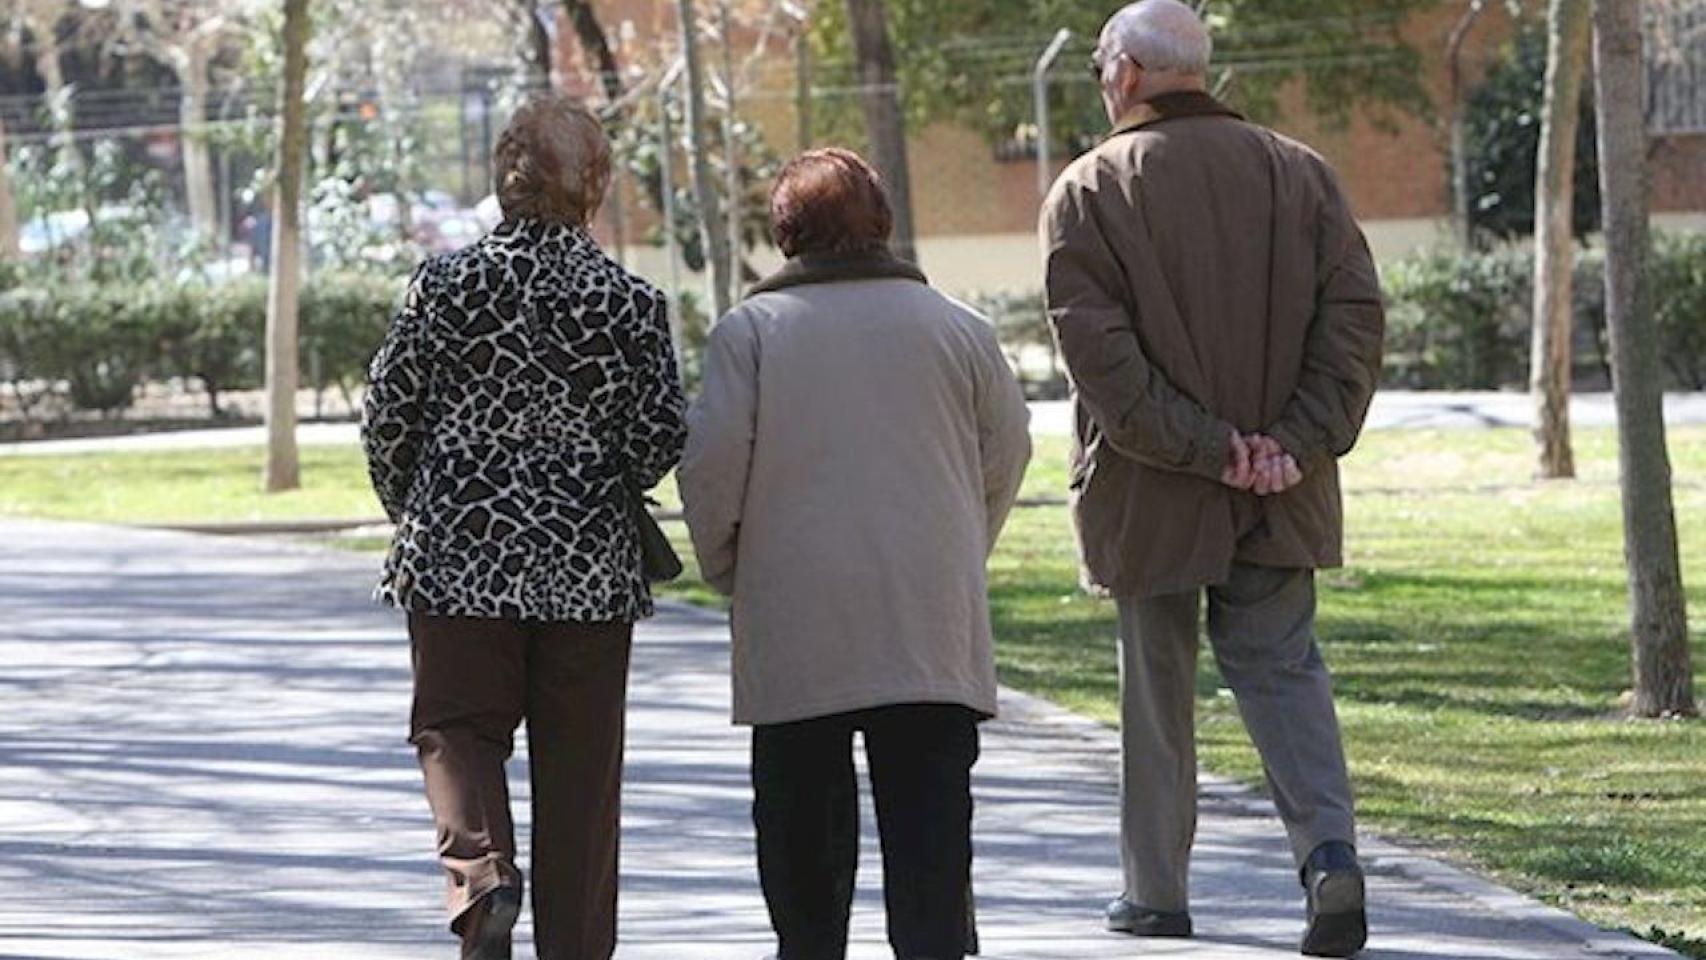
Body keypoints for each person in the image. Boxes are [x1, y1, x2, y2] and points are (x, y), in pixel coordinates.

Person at [1039, 2, 1385, 957]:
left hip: (1154, 488)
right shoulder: (1300, 172)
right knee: (1283, 670)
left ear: (1127, 74)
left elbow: (1099, 360)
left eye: (1105, 67)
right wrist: (1290, 443)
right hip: (1283, 484)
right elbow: (1354, 323)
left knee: (1156, 687)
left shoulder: (1089, 189)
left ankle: (1156, 891)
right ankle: (1329, 857)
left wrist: (1208, 447)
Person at [680, 147, 1032, 960]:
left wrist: (732, 565)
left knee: (801, 838)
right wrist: (962, 542)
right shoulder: (958, 326)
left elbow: (712, 466)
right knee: (932, 834)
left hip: (798, 611)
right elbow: (1008, 449)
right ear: (883, 224)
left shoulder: (752, 332)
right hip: (927, 614)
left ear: (786, 234)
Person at [361, 93, 686, 960]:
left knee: (457, 731)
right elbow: (657, 437)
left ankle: (481, 878)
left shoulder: (442, 285)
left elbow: (387, 417)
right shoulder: (628, 302)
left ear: (504, 180)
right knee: (581, 776)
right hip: (586, 571)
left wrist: (420, 508)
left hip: (458, 558)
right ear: (595, 188)